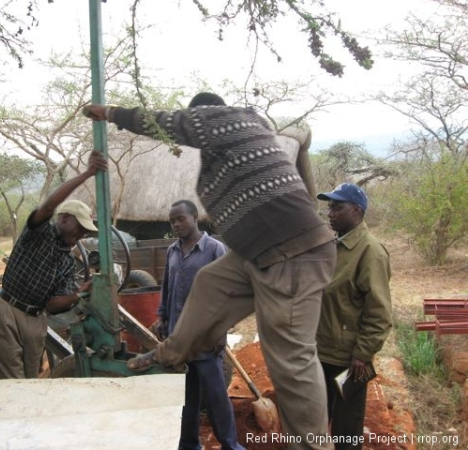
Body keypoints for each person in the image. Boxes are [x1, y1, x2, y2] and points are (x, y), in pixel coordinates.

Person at [83, 93, 336, 450]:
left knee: (291, 361)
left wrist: (112, 114)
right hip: (257, 252)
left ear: (204, 113)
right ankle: (169, 352)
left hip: (294, 254)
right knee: (211, 281)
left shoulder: (225, 119)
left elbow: (172, 123)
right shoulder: (239, 140)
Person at [0, 150, 108, 379]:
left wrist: (79, 294)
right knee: (10, 382)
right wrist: (86, 174)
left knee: (30, 380)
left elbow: (52, 305)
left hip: (36, 321)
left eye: (85, 230)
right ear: (63, 219)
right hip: (7, 312)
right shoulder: (39, 233)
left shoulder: (67, 261)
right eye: (79, 226)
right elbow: (48, 206)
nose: (81, 233)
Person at [154, 199, 244, 450]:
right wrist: (162, 316)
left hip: (205, 339)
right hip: (178, 338)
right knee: (186, 397)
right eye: (172, 221)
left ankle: (230, 445)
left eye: (180, 218)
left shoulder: (215, 250)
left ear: (194, 217)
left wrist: (220, 331)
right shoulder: (172, 251)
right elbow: (167, 287)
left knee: (216, 397)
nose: (176, 224)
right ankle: (188, 444)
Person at [316, 183, 392, 449]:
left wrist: (363, 353)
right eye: (329, 207)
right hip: (322, 351)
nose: (330, 212)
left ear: (356, 211)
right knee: (316, 421)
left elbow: (379, 312)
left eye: (337, 207)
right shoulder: (335, 246)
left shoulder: (370, 251)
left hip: (348, 360)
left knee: (346, 431)